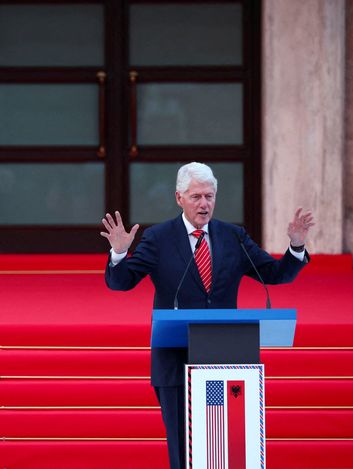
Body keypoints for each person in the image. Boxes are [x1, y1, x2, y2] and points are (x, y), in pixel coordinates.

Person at [101, 162, 313, 469]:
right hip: (175, 362)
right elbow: (121, 283)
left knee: (225, 447)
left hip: (226, 360)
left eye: (210, 196)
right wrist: (119, 254)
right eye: (197, 196)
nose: (204, 204)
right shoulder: (159, 238)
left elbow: (275, 274)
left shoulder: (234, 236)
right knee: (183, 450)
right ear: (179, 198)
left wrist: (295, 246)